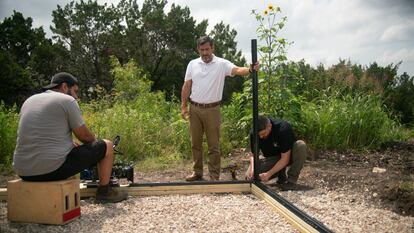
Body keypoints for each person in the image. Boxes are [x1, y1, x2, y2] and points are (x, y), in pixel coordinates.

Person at [13, 72, 127, 203]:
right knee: (107, 145)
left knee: (74, 147)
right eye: (75, 91)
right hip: (50, 171)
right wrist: (96, 148)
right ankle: (104, 192)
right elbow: (86, 137)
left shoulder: (29, 100)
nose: (76, 96)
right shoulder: (66, 100)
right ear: (65, 87)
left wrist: (67, 144)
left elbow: (41, 135)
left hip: (23, 171)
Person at [181, 35, 259, 181]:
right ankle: (197, 172)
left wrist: (249, 69)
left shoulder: (222, 64)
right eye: (202, 50)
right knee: (195, 143)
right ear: (198, 49)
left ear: (212, 48)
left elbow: (237, 70)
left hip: (212, 110)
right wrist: (183, 106)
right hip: (195, 108)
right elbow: (187, 85)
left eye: (207, 49)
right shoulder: (192, 64)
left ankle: (214, 176)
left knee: (213, 145)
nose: (205, 53)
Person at [245, 116, 307, 190]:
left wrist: (268, 174)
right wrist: (253, 169)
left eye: (263, 133)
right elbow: (253, 154)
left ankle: (291, 181)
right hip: (272, 158)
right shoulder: (254, 133)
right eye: (259, 135)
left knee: (300, 145)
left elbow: (285, 159)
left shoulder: (283, 128)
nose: (261, 137)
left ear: (269, 126)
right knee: (249, 177)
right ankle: (280, 173)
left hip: (288, 156)